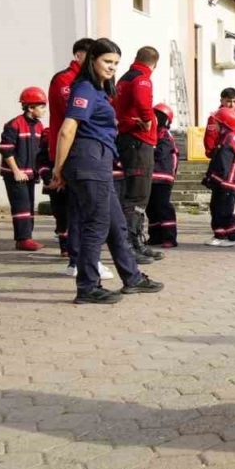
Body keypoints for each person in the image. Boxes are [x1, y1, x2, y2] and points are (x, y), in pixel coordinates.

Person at [50, 38, 164, 305]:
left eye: (115, 63)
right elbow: (67, 129)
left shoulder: (99, 91)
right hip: (88, 160)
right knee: (97, 224)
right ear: (92, 60)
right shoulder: (86, 89)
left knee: (115, 223)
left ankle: (132, 277)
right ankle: (88, 287)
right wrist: (58, 168)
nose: (112, 67)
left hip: (98, 160)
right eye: (106, 61)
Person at [43, 37, 95, 268]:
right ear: (78, 56)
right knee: (72, 207)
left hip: (87, 152)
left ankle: (81, 255)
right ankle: (75, 257)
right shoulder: (65, 80)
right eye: (92, 55)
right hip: (69, 152)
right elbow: (73, 115)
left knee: (84, 207)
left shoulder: (89, 81)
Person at [112, 46, 164, 264]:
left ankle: (136, 241)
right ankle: (129, 245)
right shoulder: (142, 78)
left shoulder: (124, 78)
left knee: (136, 194)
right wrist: (147, 120)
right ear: (154, 64)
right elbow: (144, 104)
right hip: (138, 142)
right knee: (138, 195)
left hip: (129, 140)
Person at [0, 87, 47, 251]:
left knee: (29, 206)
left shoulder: (39, 126)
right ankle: (22, 239)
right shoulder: (14, 124)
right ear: (30, 107)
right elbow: (6, 149)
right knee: (21, 206)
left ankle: (28, 237)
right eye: (41, 106)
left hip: (29, 174)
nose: (43, 110)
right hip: (15, 175)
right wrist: (16, 171)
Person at [203, 106, 235, 247]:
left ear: (223, 124)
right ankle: (220, 234)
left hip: (227, 184)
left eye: (216, 122)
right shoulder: (225, 137)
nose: (213, 124)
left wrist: (212, 179)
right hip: (222, 184)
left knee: (224, 211)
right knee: (215, 208)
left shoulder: (228, 140)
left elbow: (223, 166)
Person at [146, 103, 179, 248]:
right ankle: (155, 236)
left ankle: (169, 237)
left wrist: (146, 152)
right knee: (151, 208)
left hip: (163, 177)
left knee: (163, 206)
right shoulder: (153, 132)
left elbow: (160, 153)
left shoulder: (165, 135)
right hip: (152, 176)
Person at [204, 88, 235, 157]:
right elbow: (210, 139)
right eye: (228, 101)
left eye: (234, 101)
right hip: (224, 154)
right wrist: (215, 154)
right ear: (221, 101)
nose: (232, 105)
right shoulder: (215, 118)